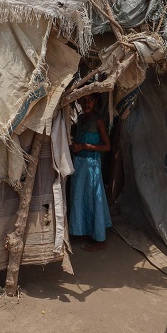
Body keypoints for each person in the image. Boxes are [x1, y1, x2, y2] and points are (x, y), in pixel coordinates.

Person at [68, 93, 112, 251]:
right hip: (79, 166)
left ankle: (100, 239)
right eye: (84, 100)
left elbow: (107, 147)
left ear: (96, 102)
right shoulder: (80, 119)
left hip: (91, 166)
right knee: (81, 199)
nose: (86, 104)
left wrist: (84, 146)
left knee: (94, 199)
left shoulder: (98, 120)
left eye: (90, 100)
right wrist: (75, 147)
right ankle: (85, 230)